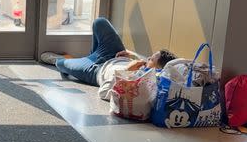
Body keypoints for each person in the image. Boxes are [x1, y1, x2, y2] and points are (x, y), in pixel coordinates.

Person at [40, 18, 177, 100]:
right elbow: (142, 61)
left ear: (156, 70)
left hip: (95, 71)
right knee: (100, 22)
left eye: (151, 59)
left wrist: (124, 72)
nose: (147, 58)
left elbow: (104, 92)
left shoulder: (141, 85)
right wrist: (131, 56)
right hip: (113, 54)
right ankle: (91, 55)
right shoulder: (142, 65)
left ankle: (64, 59)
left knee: (62, 65)